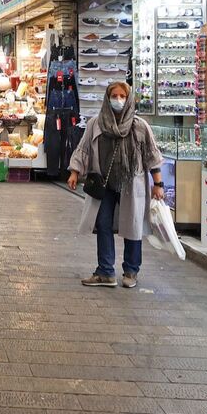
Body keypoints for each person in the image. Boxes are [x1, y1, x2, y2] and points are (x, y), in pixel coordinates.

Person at [66, 81, 164, 289]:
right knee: (103, 224)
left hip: (132, 182)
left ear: (128, 99)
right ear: (107, 97)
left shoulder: (139, 126)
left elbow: (151, 156)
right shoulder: (96, 123)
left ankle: (131, 270)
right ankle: (105, 272)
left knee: (133, 225)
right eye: (114, 95)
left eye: (122, 96)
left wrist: (158, 184)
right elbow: (84, 149)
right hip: (104, 182)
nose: (118, 100)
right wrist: (74, 172)